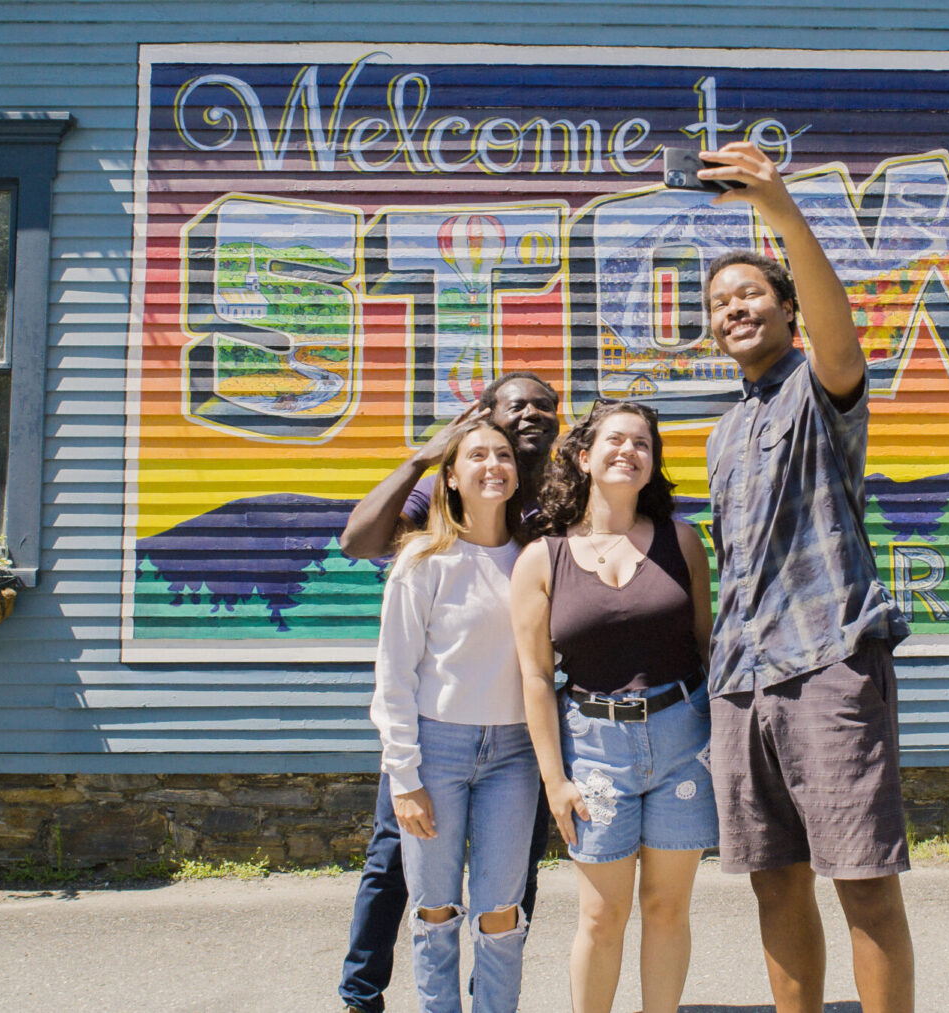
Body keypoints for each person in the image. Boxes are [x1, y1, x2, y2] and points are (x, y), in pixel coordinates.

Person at [695, 142, 916, 1013]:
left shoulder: (822, 389)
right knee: (774, 883)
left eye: (749, 293)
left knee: (861, 879)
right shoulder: (720, 434)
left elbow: (840, 329)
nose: (732, 309)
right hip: (741, 682)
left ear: (789, 310)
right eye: (719, 303)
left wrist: (781, 214)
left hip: (827, 662)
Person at [338, 372, 559, 1013]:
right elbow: (359, 542)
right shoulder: (441, 504)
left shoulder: (559, 500)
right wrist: (425, 457)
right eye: (517, 405)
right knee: (397, 867)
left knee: (508, 888)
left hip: (518, 734)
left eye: (546, 406)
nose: (533, 415)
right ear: (479, 420)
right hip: (438, 734)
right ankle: (363, 993)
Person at [510, 399, 718, 1013]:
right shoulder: (540, 558)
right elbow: (534, 676)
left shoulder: (683, 543)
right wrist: (555, 781)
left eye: (642, 445)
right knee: (602, 915)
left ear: (652, 466)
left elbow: (708, 647)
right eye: (614, 441)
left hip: (684, 740)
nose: (628, 451)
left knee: (666, 908)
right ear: (583, 456)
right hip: (595, 749)